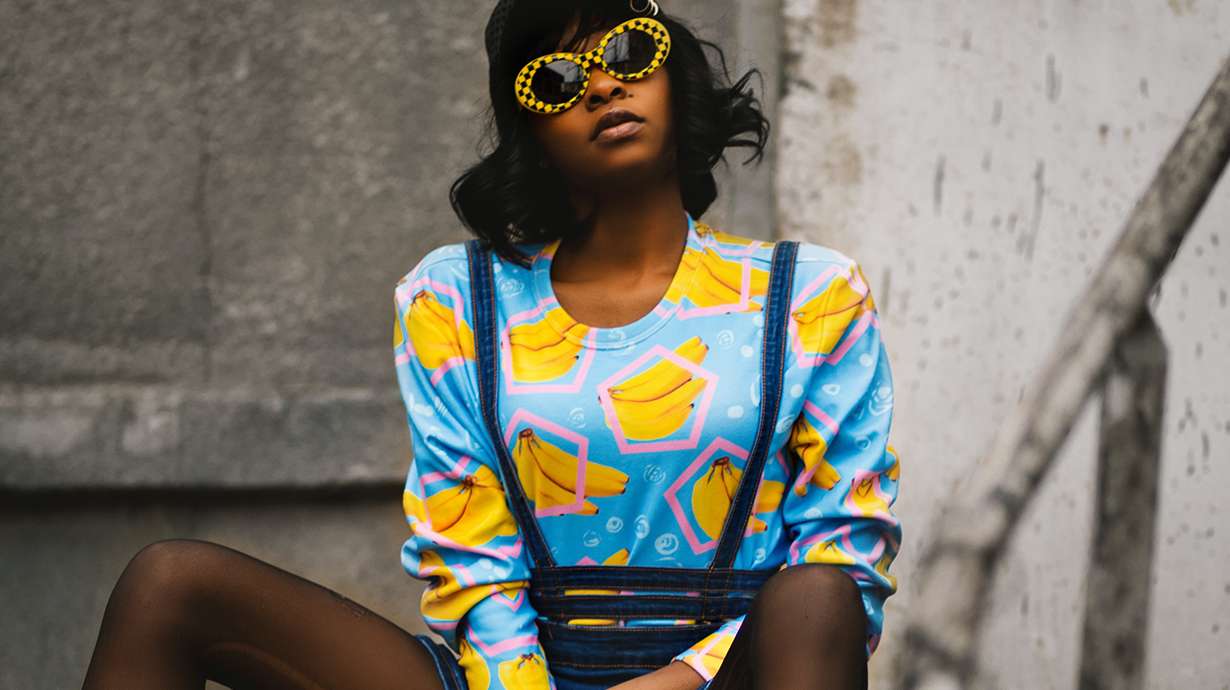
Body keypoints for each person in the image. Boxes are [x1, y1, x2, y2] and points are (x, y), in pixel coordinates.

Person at [80, 2, 900, 689]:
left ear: (673, 74)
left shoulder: (809, 295)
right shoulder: (455, 299)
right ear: (529, 128)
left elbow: (847, 553)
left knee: (818, 596)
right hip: (509, 676)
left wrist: (679, 680)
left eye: (627, 51)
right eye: (557, 79)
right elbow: (470, 548)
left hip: (723, 678)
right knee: (171, 583)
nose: (602, 84)